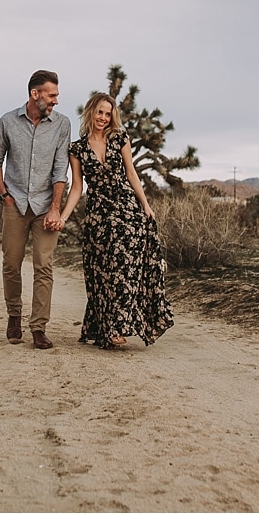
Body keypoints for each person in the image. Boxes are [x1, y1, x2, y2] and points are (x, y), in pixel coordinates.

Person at [54, 93, 174, 350]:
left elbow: (131, 173)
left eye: (108, 114)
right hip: (98, 215)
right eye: (100, 112)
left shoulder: (120, 139)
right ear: (90, 112)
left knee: (125, 269)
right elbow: (77, 188)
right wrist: (63, 217)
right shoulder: (77, 149)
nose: (103, 118)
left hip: (126, 210)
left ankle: (119, 327)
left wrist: (146, 204)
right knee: (103, 271)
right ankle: (106, 326)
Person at [0, 70, 73, 350]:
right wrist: (5, 196)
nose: (56, 101)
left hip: (45, 205)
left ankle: (38, 327)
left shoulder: (62, 125)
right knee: (11, 264)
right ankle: (14, 316)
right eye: (52, 95)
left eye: (57, 95)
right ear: (35, 94)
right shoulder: (7, 122)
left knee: (43, 266)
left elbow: (61, 169)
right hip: (15, 203)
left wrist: (55, 209)